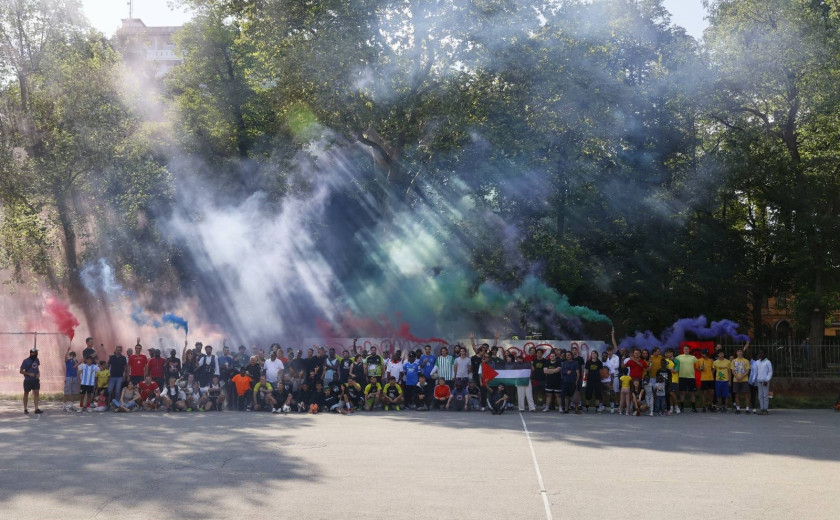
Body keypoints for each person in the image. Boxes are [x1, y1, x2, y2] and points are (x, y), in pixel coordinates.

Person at [675, 345, 699, 413]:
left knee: (692, 393)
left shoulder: (693, 357)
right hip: (682, 377)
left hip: (691, 377)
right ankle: (682, 407)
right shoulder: (679, 357)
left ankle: (693, 408)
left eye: (687, 349)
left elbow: (698, 364)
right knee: (682, 393)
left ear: (689, 350)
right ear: (683, 350)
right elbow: (672, 362)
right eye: (685, 349)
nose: (686, 350)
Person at [731, 349, 751, 414]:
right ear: (736, 353)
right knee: (737, 395)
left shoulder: (746, 361)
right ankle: (738, 408)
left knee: (746, 395)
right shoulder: (734, 361)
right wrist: (737, 377)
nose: (739, 352)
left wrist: (741, 377)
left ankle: (747, 409)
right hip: (736, 380)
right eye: (738, 351)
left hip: (744, 380)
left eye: (741, 351)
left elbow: (747, 371)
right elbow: (733, 370)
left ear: (742, 353)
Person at [63, 347, 79, 412]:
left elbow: (77, 368)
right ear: (69, 356)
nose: (72, 356)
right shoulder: (68, 361)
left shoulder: (76, 361)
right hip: (68, 377)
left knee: (73, 392)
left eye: (73, 355)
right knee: (66, 392)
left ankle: (71, 406)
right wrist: (67, 351)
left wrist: (75, 360)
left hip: (74, 377)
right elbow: (65, 358)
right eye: (71, 355)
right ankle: (64, 406)